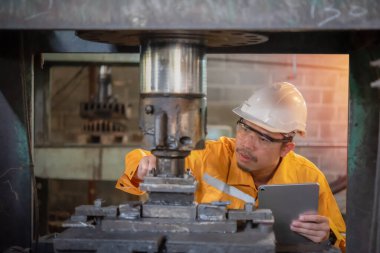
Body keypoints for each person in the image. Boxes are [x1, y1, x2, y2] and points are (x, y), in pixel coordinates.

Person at [116, 82, 346, 251]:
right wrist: (148, 162)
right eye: (245, 127)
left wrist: (327, 237)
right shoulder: (211, 156)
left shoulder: (308, 176)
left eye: (263, 138)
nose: (246, 143)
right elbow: (141, 161)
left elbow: (342, 240)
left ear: (286, 148)